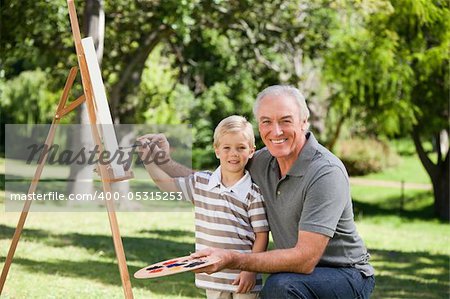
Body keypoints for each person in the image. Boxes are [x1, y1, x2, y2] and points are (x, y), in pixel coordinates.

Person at [145, 85, 375, 298]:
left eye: (285, 121)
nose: (275, 131)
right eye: (266, 122)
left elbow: (306, 259)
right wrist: (162, 160)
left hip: (346, 274)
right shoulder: (264, 160)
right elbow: (215, 180)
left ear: (304, 122)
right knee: (283, 283)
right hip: (300, 274)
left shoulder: (325, 172)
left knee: (281, 286)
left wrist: (233, 260)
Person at [138, 115, 269, 299]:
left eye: (241, 148)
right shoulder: (201, 183)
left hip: (243, 278)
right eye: (227, 148)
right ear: (216, 150)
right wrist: (148, 161)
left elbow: (262, 235)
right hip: (213, 277)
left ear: (251, 151)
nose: (234, 153)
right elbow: (166, 184)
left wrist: (251, 271)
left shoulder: (253, 193)